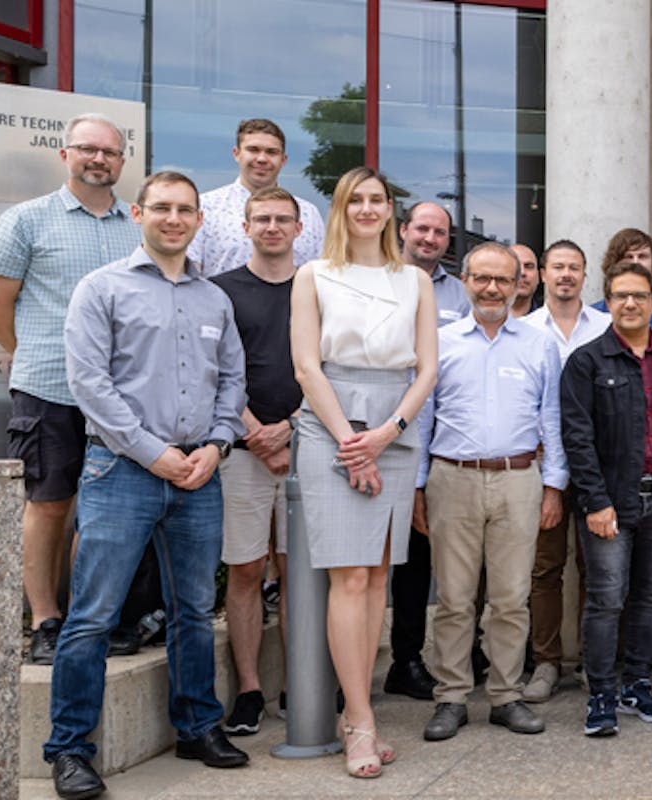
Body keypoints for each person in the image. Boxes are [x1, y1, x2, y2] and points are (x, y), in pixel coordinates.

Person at [47, 171, 252, 799]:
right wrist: (154, 453)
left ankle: (196, 726)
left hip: (199, 474)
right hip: (122, 473)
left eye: (184, 209)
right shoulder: (101, 288)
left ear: (198, 220)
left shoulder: (214, 298)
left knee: (192, 609)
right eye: (161, 207)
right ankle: (70, 749)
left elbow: (232, 382)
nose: (173, 218)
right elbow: (90, 385)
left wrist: (217, 446)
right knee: (93, 616)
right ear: (139, 212)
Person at [0, 112, 141, 666]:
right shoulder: (28, 219)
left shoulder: (134, 228)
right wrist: (31, 355)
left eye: (110, 152)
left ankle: (88, 618)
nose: (99, 159)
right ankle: (46, 621)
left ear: (122, 161)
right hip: (50, 386)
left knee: (103, 511)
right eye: (88, 149)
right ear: (65, 154)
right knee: (49, 505)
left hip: (121, 396)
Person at [290, 167, 439, 778]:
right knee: (348, 576)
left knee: (378, 576)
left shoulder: (416, 281)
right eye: (359, 200)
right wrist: (353, 442)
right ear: (342, 209)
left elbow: (426, 370)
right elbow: (305, 365)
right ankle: (359, 720)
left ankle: (360, 708)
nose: (369, 209)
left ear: (391, 211)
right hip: (330, 424)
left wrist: (387, 435)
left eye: (379, 200)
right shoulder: (314, 275)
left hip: (393, 425)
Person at [414, 243, 564, 741]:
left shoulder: (538, 343)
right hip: (451, 478)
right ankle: (451, 698)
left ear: (520, 281)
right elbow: (423, 418)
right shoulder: (441, 340)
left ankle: (505, 695)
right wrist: (418, 486)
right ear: (465, 280)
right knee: (455, 599)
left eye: (503, 279)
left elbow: (552, 419)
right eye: (482, 278)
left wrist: (553, 486)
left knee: (511, 598)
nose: (493, 288)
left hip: (519, 479)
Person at [561, 260, 652, 737]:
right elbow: (577, 438)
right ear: (608, 301)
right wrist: (595, 502)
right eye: (620, 295)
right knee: (607, 599)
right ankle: (601, 695)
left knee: (650, 597)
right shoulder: (586, 361)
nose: (630, 303)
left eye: (639, 295)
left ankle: (638, 684)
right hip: (610, 502)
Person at [211, 186, 304, 736]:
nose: (272, 227)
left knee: (299, 572)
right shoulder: (220, 291)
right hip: (242, 451)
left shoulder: (316, 288)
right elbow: (215, 371)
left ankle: (300, 681)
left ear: (298, 228)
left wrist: (289, 429)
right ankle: (249, 689)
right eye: (262, 218)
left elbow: (327, 366)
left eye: (282, 219)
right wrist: (254, 432)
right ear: (245, 226)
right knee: (246, 569)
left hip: (304, 449)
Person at [520, 240, 614, 704]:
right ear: (541, 273)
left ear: (584, 275)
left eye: (574, 267)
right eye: (557, 267)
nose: (565, 275)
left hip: (599, 466)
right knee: (545, 568)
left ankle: (594, 664)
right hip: (543, 469)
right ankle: (546, 662)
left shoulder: (607, 326)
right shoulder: (524, 330)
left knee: (597, 569)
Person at [385, 200, 468, 703]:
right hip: (377, 430)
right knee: (381, 560)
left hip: (438, 441)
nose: (431, 239)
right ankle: (397, 658)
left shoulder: (459, 292)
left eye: (440, 232)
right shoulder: (380, 280)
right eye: (422, 229)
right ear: (404, 231)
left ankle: (410, 659)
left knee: (425, 559)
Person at [189, 118, 327, 276]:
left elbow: (319, 277)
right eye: (253, 150)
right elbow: (190, 273)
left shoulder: (308, 214)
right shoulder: (205, 208)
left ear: (283, 160)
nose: (262, 159)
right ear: (237, 154)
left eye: (271, 152)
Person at [590, 227, 652, 313]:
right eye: (628, 257)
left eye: (642, 256)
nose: (635, 262)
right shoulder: (594, 315)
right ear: (614, 263)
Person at [510, 242, 541, 317]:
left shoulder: (551, 324)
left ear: (538, 276)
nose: (522, 273)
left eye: (529, 266)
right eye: (515, 266)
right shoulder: (482, 320)